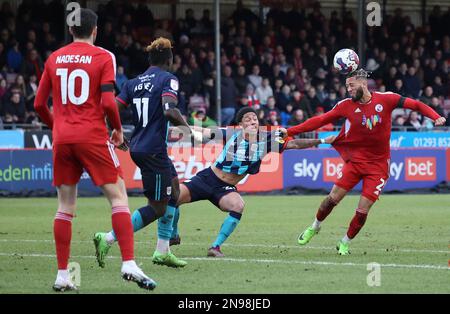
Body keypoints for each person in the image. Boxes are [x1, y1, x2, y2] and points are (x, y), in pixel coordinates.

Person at [95, 107, 336, 260]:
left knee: (238, 205)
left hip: (225, 189)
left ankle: (215, 247)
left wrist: (322, 141)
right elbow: (199, 132)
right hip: (207, 178)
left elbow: (293, 144)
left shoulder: (267, 141)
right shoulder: (228, 133)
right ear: (240, 124)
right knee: (170, 200)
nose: (253, 120)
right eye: (248, 118)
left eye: (255, 118)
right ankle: (165, 235)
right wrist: (183, 128)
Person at [33, 8, 155, 291]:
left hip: (63, 139)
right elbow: (109, 103)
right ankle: (128, 262)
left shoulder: (54, 58)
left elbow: (39, 105)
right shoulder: (102, 56)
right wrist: (117, 128)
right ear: (95, 30)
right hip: (92, 135)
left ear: (71, 30)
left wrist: (57, 126)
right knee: (118, 197)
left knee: (64, 206)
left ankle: (63, 275)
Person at [284, 69, 446, 255]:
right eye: (347, 87)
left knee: (363, 209)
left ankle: (344, 242)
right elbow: (320, 120)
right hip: (355, 162)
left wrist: (435, 116)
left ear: (363, 84)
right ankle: (315, 226)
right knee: (332, 199)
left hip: (378, 167)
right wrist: (290, 131)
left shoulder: (387, 99)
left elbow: (416, 105)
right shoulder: (345, 105)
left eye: (351, 86)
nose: (349, 90)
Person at [93, 37, 192, 269]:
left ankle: (163, 251)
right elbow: (169, 111)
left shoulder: (132, 83)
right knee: (157, 207)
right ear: (170, 59)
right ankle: (107, 238)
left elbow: (110, 110)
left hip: (141, 146)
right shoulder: (169, 79)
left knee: (175, 192)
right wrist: (189, 131)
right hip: (153, 150)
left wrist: (116, 131)